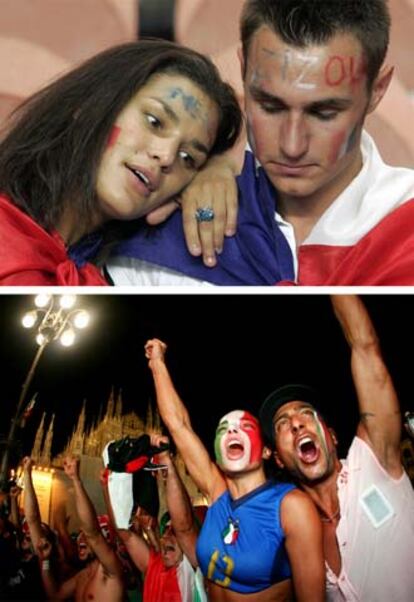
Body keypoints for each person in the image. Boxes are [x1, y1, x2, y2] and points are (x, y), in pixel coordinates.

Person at [108, 0, 414, 286]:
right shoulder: (158, 233)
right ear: (242, 70)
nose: (292, 146)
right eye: (270, 106)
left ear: (377, 89)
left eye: (323, 113)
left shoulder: (406, 220)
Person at [0, 38, 242, 285]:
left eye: (188, 158)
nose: (167, 156)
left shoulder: (127, 275)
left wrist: (218, 171)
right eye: (155, 122)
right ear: (91, 104)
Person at [259, 295, 414, 601]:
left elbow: (365, 346)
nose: (296, 424)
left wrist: (335, 273)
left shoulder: (373, 459)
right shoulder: (296, 532)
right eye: (282, 424)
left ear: (331, 435)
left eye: (306, 412)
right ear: (277, 457)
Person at [144, 338, 325, 601]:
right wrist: (157, 363)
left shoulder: (290, 506)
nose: (232, 430)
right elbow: (178, 425)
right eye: (223, 429)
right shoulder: (218, 494)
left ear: (266, 451)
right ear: (217, 453)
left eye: (245, 427)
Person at [113, 434, 207, 602]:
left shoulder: (196, 568)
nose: (166, 536)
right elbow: (123, 533)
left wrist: (166, 460)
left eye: (173, 531)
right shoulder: (154, 566)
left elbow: (184, 526)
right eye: (166, 530)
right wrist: (114, 477)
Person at [37, 456, 125, 601]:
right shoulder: (82, 575)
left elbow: (93, 534)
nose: (80, 539)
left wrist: (76, 480)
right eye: (80, 534)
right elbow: (55, 596)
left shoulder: (111, 571)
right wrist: (45, 560)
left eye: (86, 536)